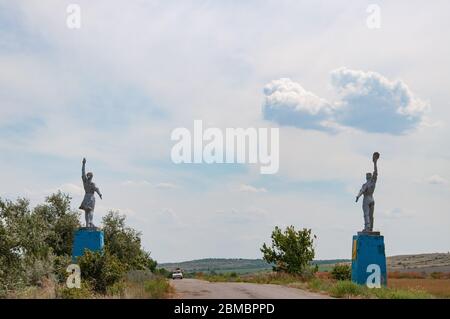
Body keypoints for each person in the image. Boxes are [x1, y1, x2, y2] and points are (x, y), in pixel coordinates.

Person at [356, 152, 379, 232]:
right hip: (372, 199)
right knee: (371, 215)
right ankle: (370, 228)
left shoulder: (365, 184)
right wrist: (375, 163)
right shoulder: (373, 182)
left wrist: (358, 196)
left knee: (366, 214)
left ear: (366, 177)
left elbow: (361, 191)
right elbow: (376, 173)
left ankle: (367, 227)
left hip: (366, 199)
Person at [79, 158, 102, 228]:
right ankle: (90, 223)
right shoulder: (92, 183)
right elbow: (96, 189)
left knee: (86, 211)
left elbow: (83, 172)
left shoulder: (85, 182)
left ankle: (87, 224)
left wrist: (83, 164)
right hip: (91, 197)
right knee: (90, 210)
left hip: (86, 197)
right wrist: (100, 194)